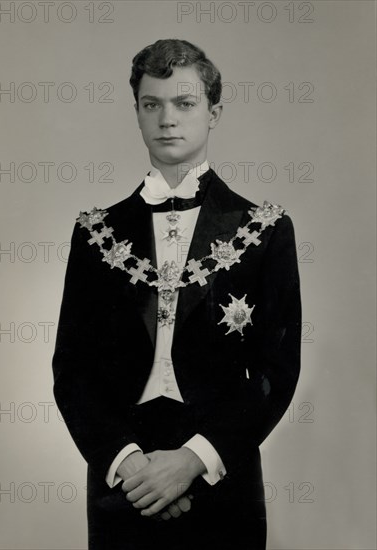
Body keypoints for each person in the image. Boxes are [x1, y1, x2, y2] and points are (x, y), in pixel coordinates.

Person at [52, 38, 301, 550]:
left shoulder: (263, 229)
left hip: (221, 471)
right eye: (152, 104)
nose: (168, 119)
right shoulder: (96, 233)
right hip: (124, 479)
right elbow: (72, 371)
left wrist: (192, 461)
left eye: (185, 103)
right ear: (137, 114)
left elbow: (277, 372)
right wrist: (128, 464)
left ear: (214, 113)